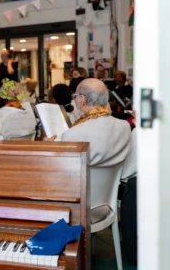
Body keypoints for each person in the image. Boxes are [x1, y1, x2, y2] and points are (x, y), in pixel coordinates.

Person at [45, 79, 132, 223]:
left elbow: (62, 175)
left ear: (82, 99)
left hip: (79, 207)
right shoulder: (124, 126)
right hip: (107, 203)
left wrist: (49, 148)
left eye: (76, 96)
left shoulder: (73, 134)